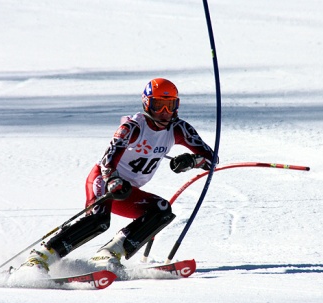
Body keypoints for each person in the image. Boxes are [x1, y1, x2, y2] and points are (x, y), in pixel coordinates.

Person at [16, 78, 215, 276]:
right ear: (147, 103)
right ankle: (41, 256)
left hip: (128, 190)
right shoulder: (133, 127)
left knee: (161, 210)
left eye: (169, 106)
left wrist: (191, 161)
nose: (164, 113)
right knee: (98, 220)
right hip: (104, 180)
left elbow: (211, 159)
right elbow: (107, 161)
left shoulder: (179, 129)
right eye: (158, 106)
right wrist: (113, 180)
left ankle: (109, 253)